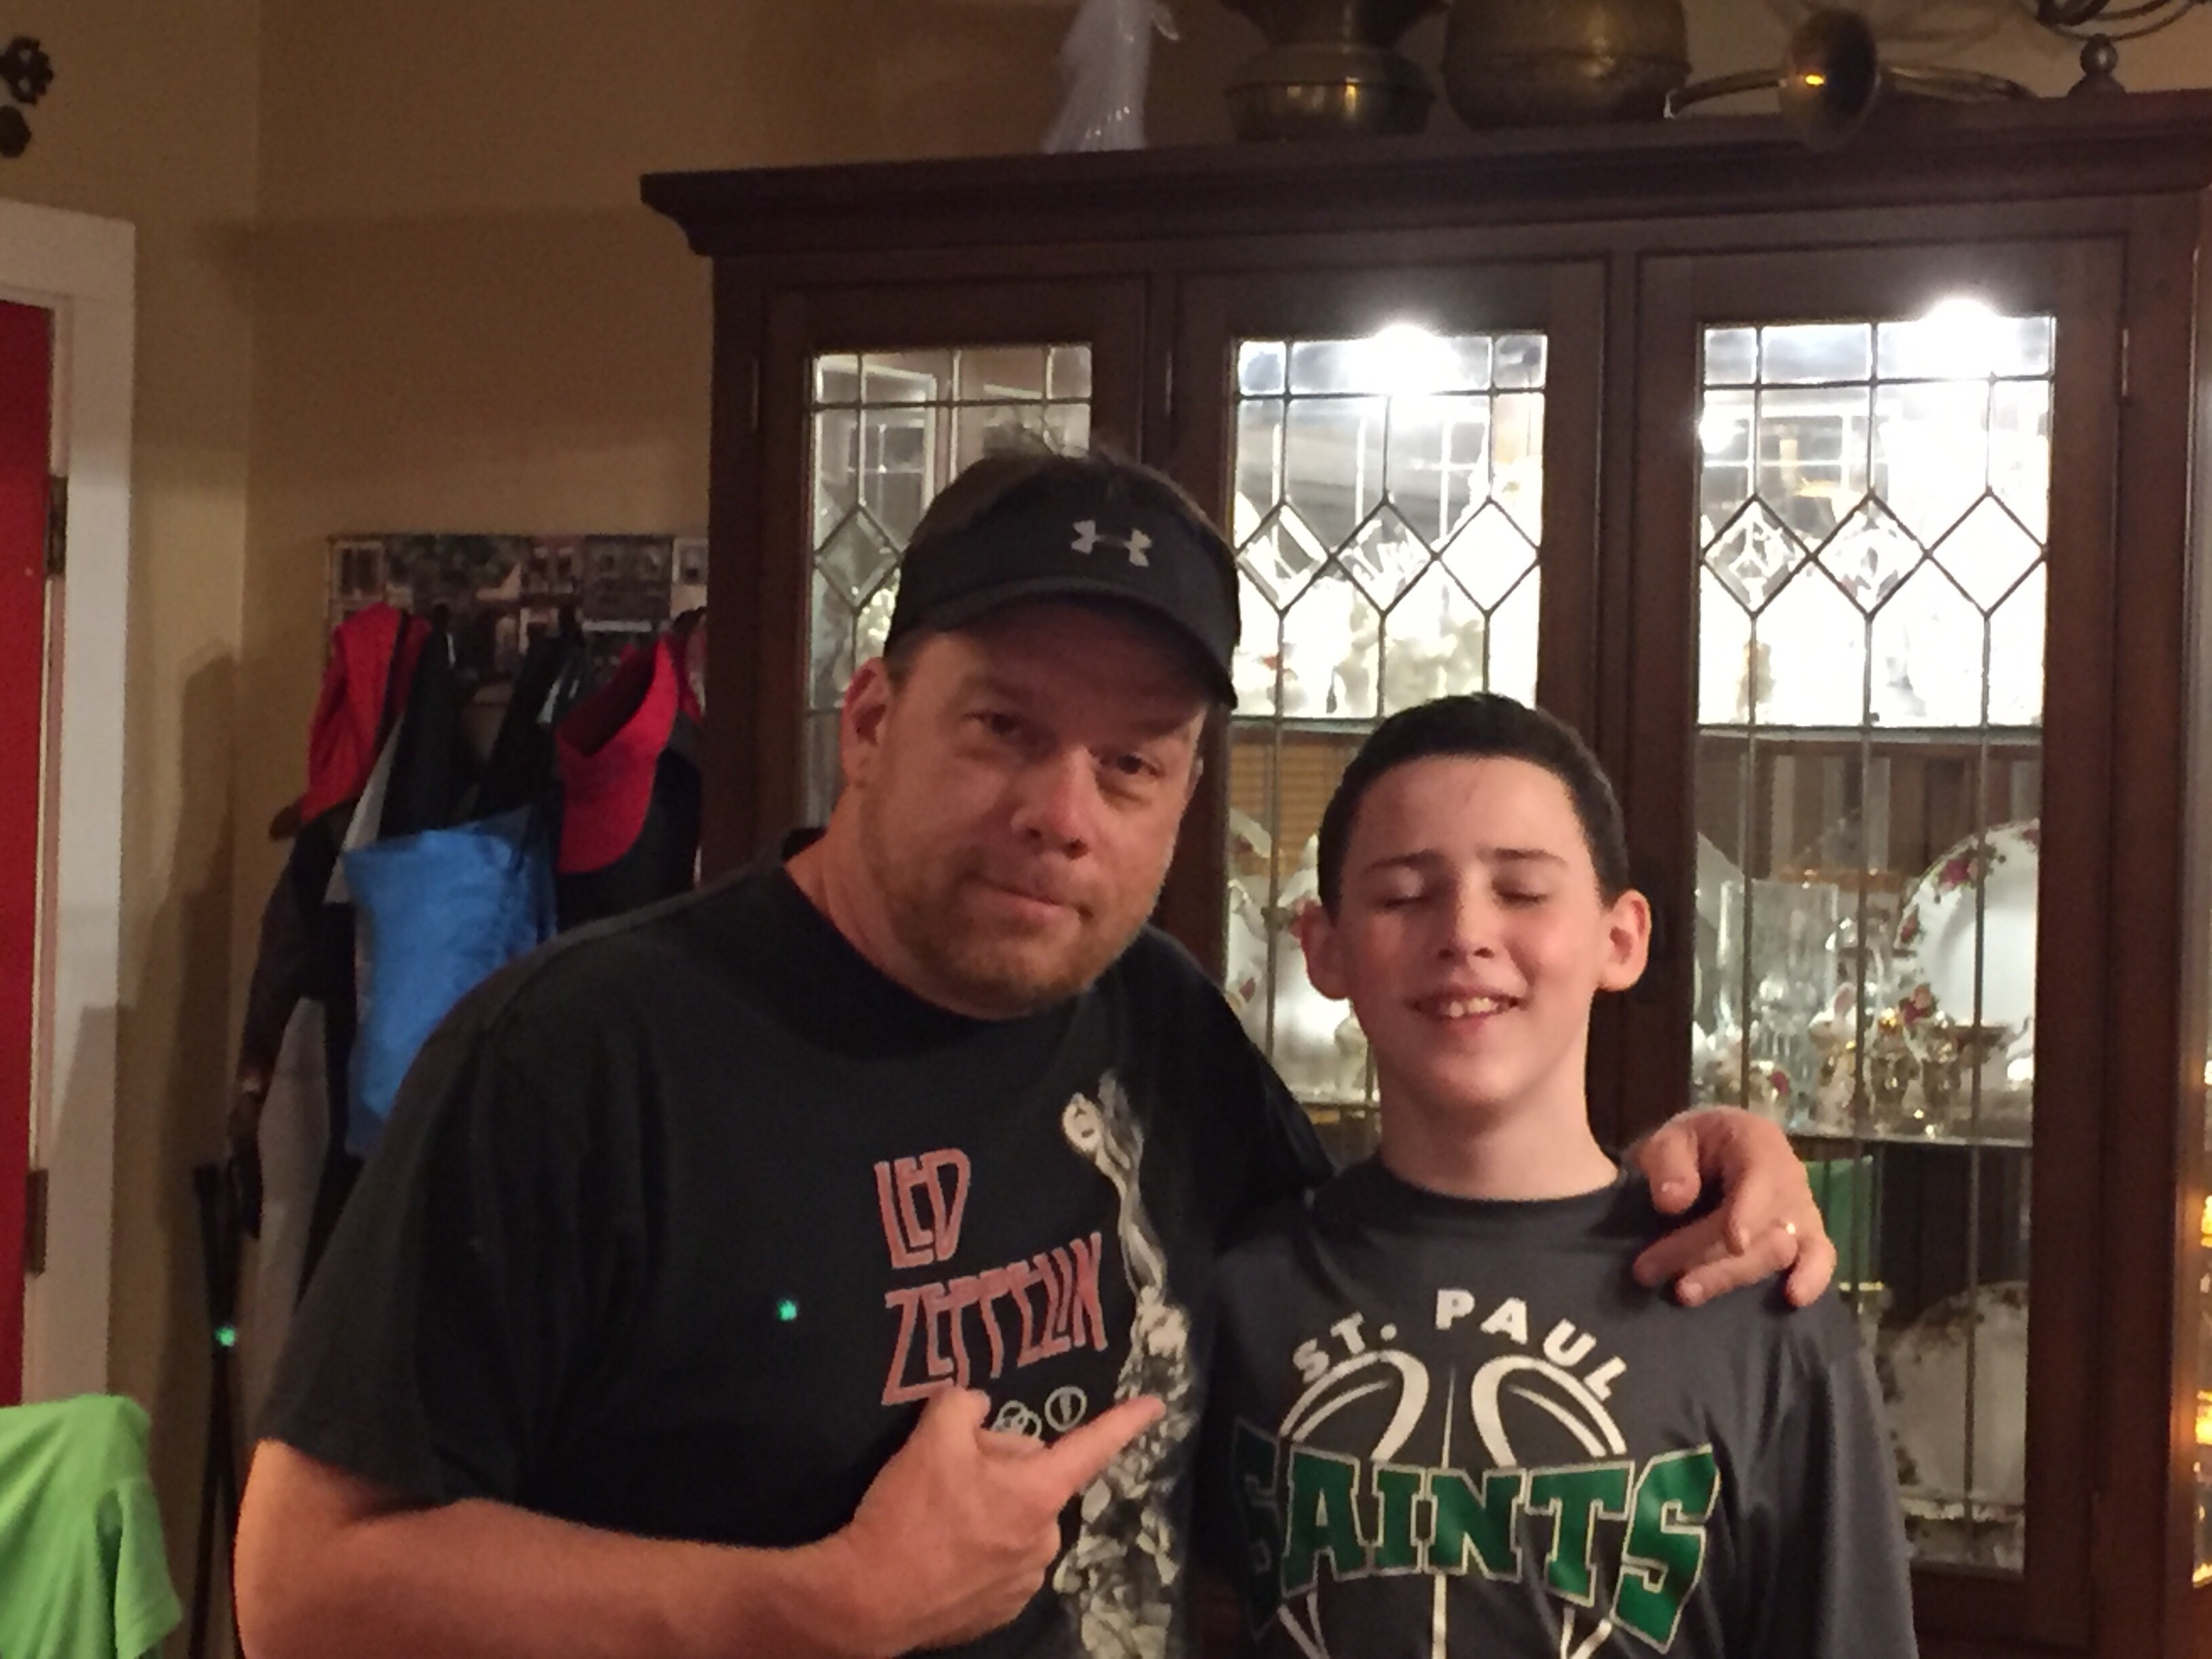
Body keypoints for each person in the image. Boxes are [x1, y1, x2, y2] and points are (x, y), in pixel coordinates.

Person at [234, 447, 1836, 1659]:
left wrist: (1689, 1169)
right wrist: (811, 1607)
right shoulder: (575, 1058)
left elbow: (1397, 1247)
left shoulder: (1156, 1023)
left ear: (1183, 799)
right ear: (873, 722)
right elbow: (301, 1586)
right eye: (1004, 728)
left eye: (1131, 765)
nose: (1062, 814)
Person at [1200, 694, 1914, 1657]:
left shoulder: (1752, 1300)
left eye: (1524, 891)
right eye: (1404, 895)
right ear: (1324, 948)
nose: (1465, 932)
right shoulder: (1239, 1291)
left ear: (1621, 939)